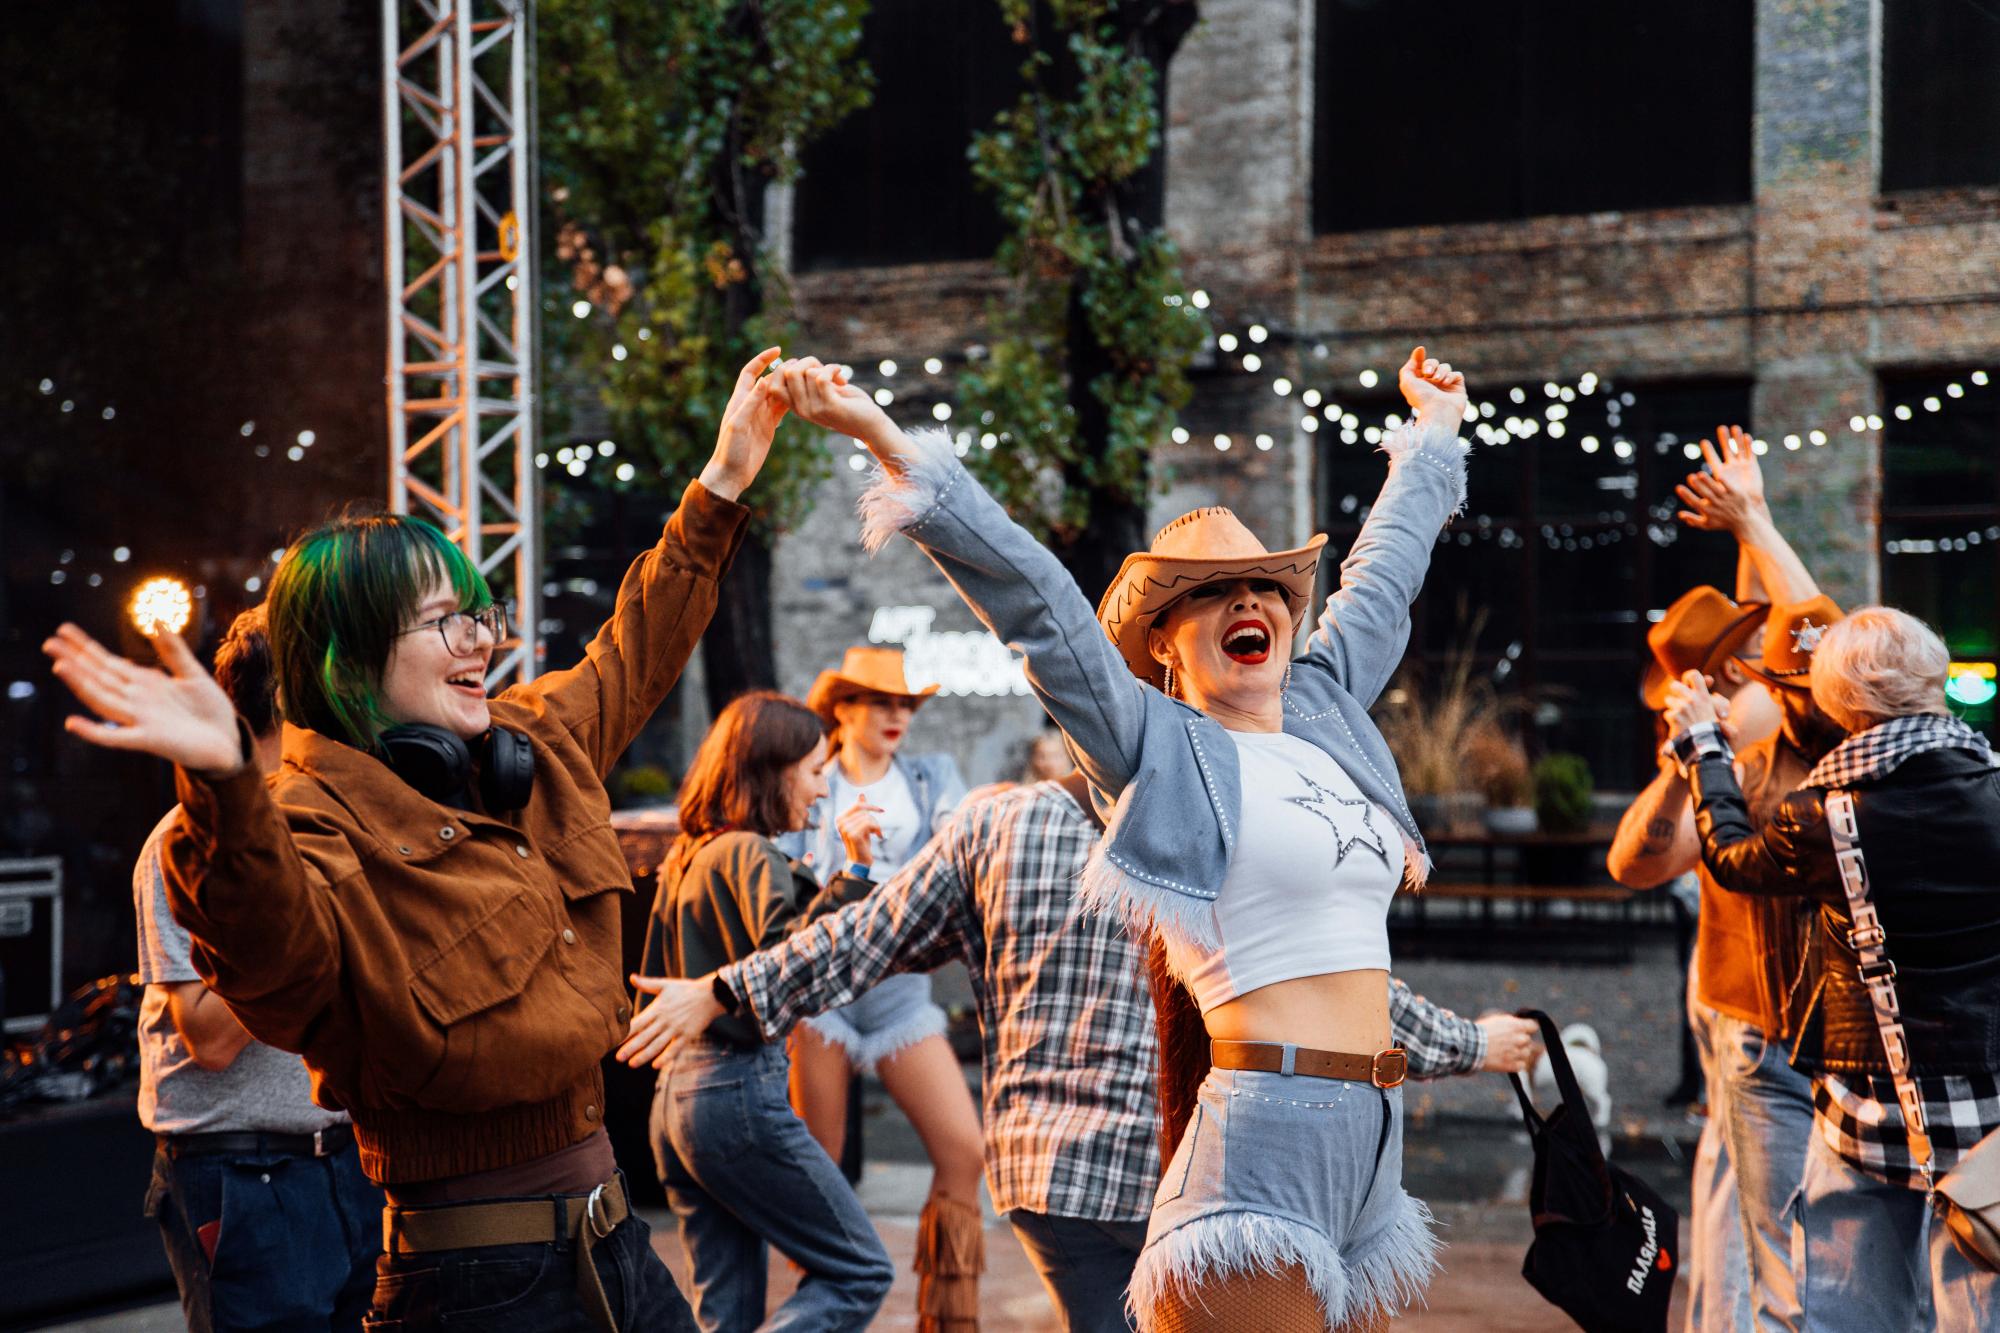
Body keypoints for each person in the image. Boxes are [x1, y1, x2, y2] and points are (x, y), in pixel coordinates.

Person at [45, 347, 801, 1331]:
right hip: (477, 1287)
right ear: (351, 658)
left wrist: (723, 479)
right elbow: (269, 959)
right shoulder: (306, 820)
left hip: (618, 1248)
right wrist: (223, 783)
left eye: (479, 614)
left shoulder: (526, 746)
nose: (483, 640)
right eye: (445, 622)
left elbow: (636, 647)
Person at [769, 346, 1470, 1331]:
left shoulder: (1324, 711)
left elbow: (1384, 577)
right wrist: (887, 440)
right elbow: (1039, 607)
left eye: (1264, 586)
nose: (1247, 601)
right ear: (1164, 647)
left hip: (1372, 1146)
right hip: (1263, 1141)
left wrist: (1434, 432)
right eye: (1208, 593)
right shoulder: (1156, 746)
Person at [621, 765, 1542, 1333]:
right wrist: (1474, 1041)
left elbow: (862, 937)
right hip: (1182, 1170)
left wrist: (725, 988)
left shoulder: (996, 823)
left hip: (1050, 1177)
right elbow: (1338, 993)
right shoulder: (1214, 835)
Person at [1672, 607, 2000, 1331]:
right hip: (1989, 1110)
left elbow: (1731, 859)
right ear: (1936, 677)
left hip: (1868, 1108)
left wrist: (1703, 748)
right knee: (1981, 1306)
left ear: (1837, 702)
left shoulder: (1821, 815)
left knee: (1852, 1310)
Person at [1607, 425, 1841, 1333]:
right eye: (1747, 653)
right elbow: (1633, 862)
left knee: (1745, 1216)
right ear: (1732, 674)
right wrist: (1683, 759)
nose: (1765, 658)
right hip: (1759, 1016)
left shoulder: (1771, 727)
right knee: (1768, 1239)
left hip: (1770, 1010)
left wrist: (1752, 519)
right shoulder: (1742, 742)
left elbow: (1798, 627)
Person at [134, 606, 382, 1332]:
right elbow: (207, 1039)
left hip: (353, 1156)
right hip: (244, 1173)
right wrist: (308, 916)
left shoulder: (340, 824)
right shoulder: (190, 840)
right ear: (297, 691)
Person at [633, 690, 895, 1333]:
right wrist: (856, 871)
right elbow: (792, 962)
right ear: (770, 770)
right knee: (860, 1270)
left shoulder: (688, 854)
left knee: (723, 1313)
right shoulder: (749, 852)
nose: (823, 789)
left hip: (676, 1102)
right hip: (735, 1094)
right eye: (814, 771)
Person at [782, 645, 983, 1329]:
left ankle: (948, 1318)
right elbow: (790, 886)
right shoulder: (814, 779)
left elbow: (960, 852)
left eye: (905, 704)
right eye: (880, 702)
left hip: (900, 989)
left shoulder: (931, 777)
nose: (897, 715)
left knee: (965, 1150)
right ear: (843, 710)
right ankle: (822, 1315)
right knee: (822, 1169)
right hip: (825, 994)